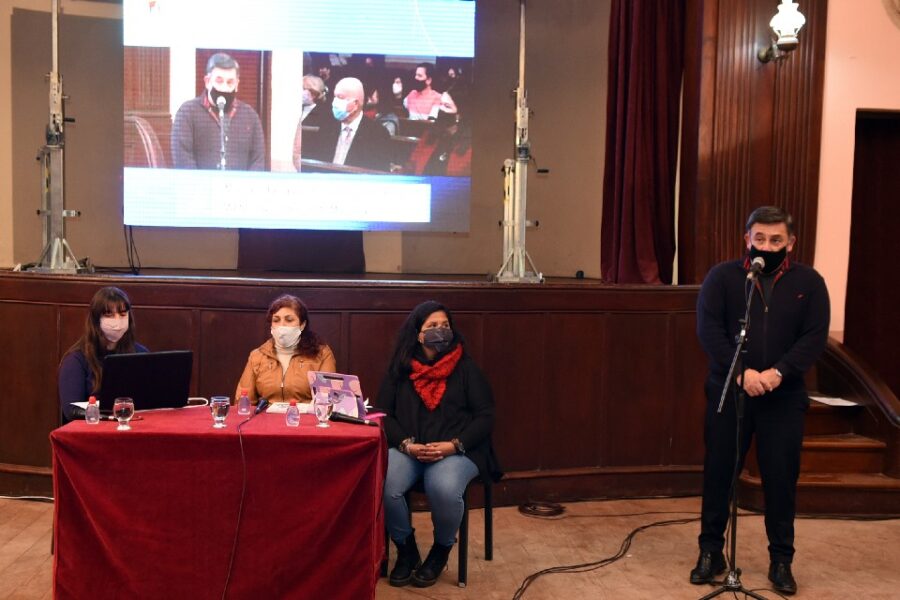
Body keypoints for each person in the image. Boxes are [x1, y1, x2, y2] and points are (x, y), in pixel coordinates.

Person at [692, 206, 830, 595]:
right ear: (747, 239)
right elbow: (709, 330)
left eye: (776, 240)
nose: (767, 247)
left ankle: (781, 560)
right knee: (719, 473)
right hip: (730, 390)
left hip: (783, 395)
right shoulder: (723, 278)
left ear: (791, 243)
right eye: (760, 239)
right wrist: (741, 373)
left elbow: (814, 337)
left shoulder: (810, 283)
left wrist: (777, 373)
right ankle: (710, 552)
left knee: (781, 479)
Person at [376, 301, 502, 588]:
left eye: (445, 325)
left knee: (442, 487)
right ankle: (406, 549)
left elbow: (485, 416)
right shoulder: (400, 369)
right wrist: (406, 445)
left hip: (458, 450)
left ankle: (440, 550)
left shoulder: (466, 368)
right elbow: (383, 414)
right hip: (409, 448)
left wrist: (453, 445)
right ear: (418, 334)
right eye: (432, 326)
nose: (440, 331)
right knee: (385, 484)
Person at [57, 287, 148, 423]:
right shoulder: (75, 360)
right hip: (93, 430)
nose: (117, 321)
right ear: (96, 319)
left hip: (135, 427)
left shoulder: (141, 354)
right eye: (109, 315)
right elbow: (71, 411)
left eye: (123, 314)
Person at [171, 52, 265, 171]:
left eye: (230, 82)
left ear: (237, 84)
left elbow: (258, 161)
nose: (224, 88)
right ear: (207, 81)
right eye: (219, 81)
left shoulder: (250, 116)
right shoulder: (187, 113)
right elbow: (183, 160)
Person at [235, 294, 335, 405]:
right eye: (276, 320)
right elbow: (243, 402)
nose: (281, 326)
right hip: (266, 415)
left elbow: (327, 402)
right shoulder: (257, 356)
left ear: (302, 325)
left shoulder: (322, 354)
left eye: (289, 320)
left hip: (305, 415)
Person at [314, 77, 391, 171]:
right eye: (335, 97)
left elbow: (378, 173)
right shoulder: (327, 126)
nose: (334, 102)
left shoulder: (378, 133)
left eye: (340, 97)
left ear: (355, 104)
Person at [405, 92, 471, 176]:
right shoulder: (429, 135)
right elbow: (410, 166)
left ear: (459, 115)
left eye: (447, 106)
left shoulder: (469, 146)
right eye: (440, 104)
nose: (441, 109)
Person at [292, 74, 336, 171]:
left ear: (313, 93)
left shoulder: (325, 115)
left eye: (303, 88)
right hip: (298, 165)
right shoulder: (299, 110)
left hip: (313, 166)